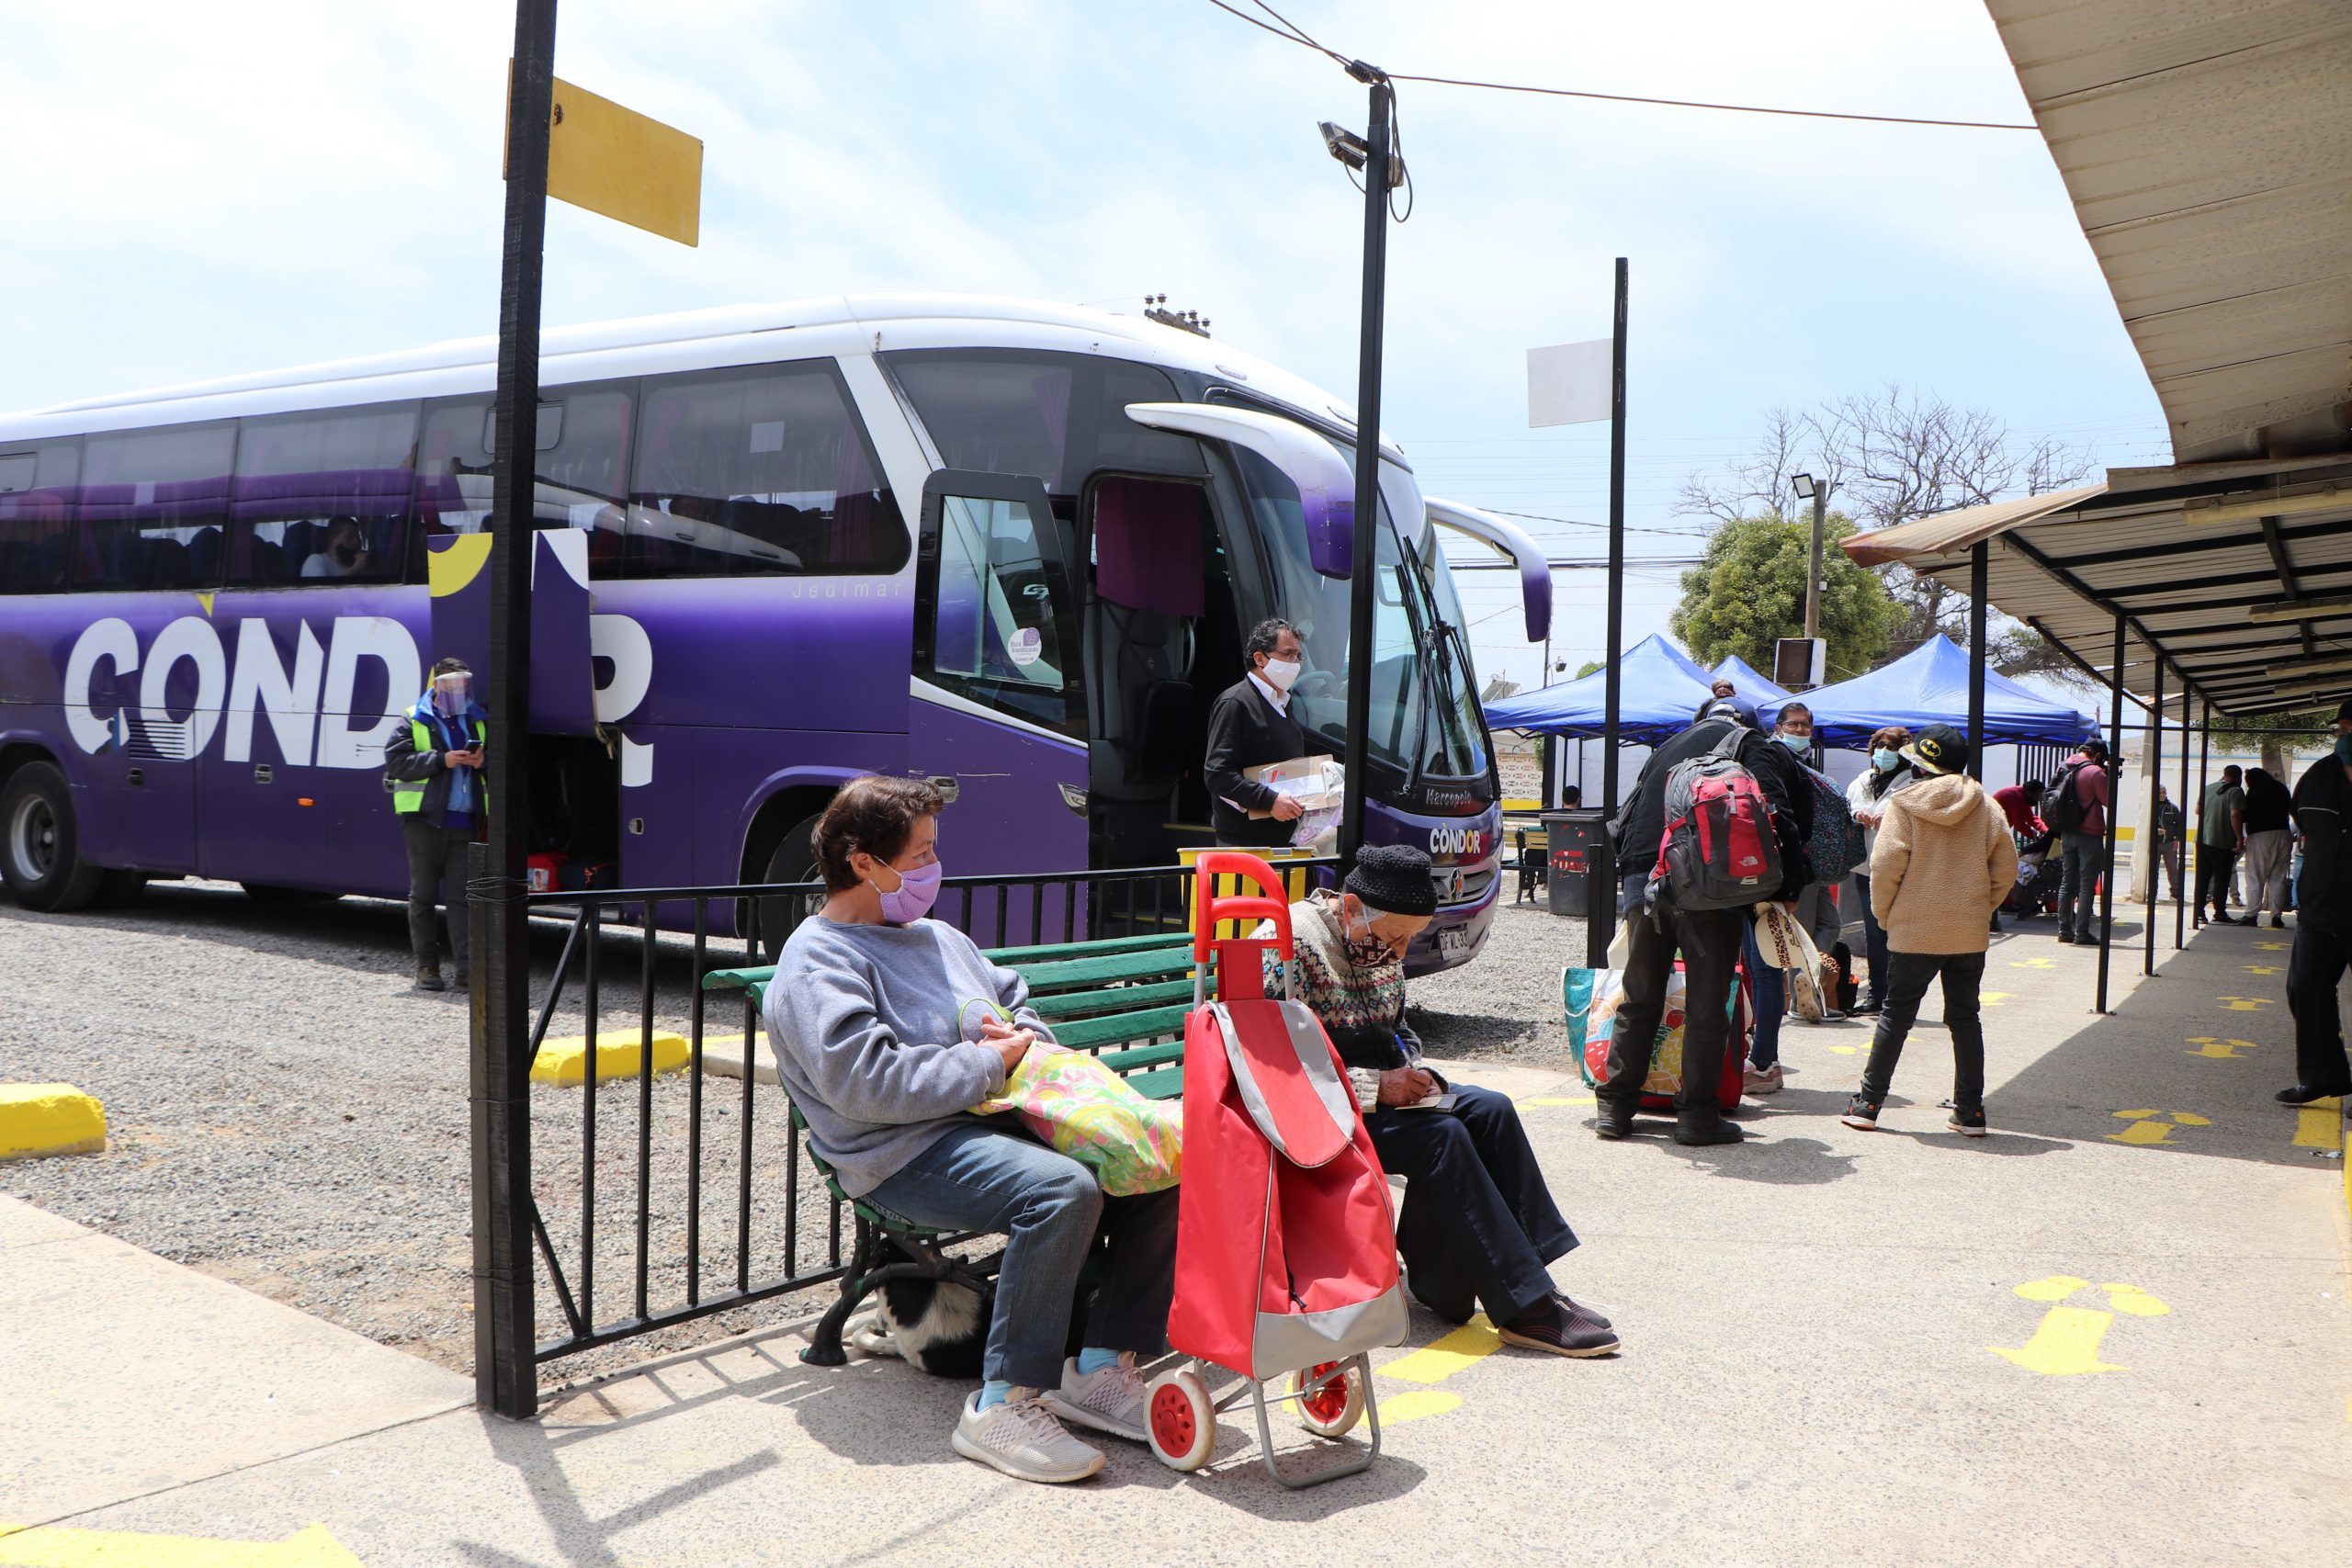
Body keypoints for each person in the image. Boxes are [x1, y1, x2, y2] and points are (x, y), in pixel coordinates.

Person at [763, 776, 1177, 1484]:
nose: (932, 867)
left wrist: (1014, 1036)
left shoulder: (934, 936)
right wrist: (987, 1059)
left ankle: (1103, 1370)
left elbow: (1010, 999)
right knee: (1062, 1192)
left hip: (983, 1119)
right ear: (864, 862)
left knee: (1159, 1160)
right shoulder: (815, 963)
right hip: (897, 1150)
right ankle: (1000, 1404)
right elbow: (868, 1086)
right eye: (920, 853)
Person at [1267, 844, 1617, 1357]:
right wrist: (1373, 1087)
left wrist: (1416, 1070)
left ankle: (1527, 1279)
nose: (1402, 952)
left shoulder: (1376, 941)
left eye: (1411, 939)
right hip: (1318, 1111)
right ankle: (1525, 1307)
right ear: (1349, 909)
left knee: (1491, 1108)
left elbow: (1400, 1032)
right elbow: (1269, 1067)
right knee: (1442, 1137)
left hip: (1371, 1095)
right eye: (1395, 937)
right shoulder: (1287, 946)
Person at [1597, 697, 1812, 1146]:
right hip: (1710, 890)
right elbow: (1786, 817)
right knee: (1708, 1005)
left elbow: (1633, 813)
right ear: (1752, 724)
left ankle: (1615, 1108)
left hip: (1647, 877)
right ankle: (1696, 1118)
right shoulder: (1754, 746)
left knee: (1640, 995)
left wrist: (1636, 881)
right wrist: (1787, 888)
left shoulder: (1668, 745)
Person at [1840, 726, 2018, 1137]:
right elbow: (2005, 871)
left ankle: (1867, 1104)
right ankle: (1970, 1111)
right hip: (1968, 931)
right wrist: (1978, 908)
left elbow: (1884, 869)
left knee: (1895, 1017)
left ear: (1919, 764)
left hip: (1913, 928)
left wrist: (1887, 915)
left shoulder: (1904, 805)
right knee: (1965, 1018)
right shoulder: (1988, 807)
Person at [382, 658, 485, 992]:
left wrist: (484, 762)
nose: (460, 688)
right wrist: (443, 760)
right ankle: (427, 968)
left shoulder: (478, 719)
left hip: (464, 821)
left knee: (462, 899)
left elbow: (503, 763)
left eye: (464, 682)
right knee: (423, 896)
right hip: (424, 821)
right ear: (437, 684)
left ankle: (467, 972)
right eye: (453, 682)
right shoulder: (413, 717)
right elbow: (396, 762)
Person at [1739, 701, 1823, 1092]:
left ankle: (1764, 1062)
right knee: (1761, 969)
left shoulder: (1763, 757)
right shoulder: (1779, 759)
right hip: (1768, 878)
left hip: (1755, 879)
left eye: (1807, 725)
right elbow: (1799, 826)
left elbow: (1791, 824)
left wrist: (1791, 887)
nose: (1802, 730)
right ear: (1775, 727)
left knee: (1765, 969)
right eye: (1796, 724)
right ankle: (1761, 1057)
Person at [2280, 703, 2352, 1106]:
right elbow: (2304, 825)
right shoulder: (2318, 776)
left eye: (2350, 728)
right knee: (2304, 990)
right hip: (2320, 907)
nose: (2344, 736)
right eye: (2341, 728)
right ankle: (2322, 1077)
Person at [1204, 617, 1309, 849]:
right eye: (1288, 655)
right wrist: (1269, 801)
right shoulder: (1235, 702)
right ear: (1260, 658)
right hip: (1245, 846)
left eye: (1299, 657)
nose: (1296, 663)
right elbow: (1218, 774)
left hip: (1282, 841)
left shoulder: (1282, 703)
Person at [1845, 727, 1920, 1012]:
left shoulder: (1911, 782)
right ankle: (1877, 994)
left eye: (1891, 747)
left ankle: (1899, 996)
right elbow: (1847, 805)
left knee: (1898, 933)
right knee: (1874, 934)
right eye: (1880, 745)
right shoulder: (1862, 780)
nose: (1884, 752)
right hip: (1866, 869)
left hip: (1899, 869)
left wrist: (1891, 817)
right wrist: (1856, 814)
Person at [2052, 739, 2112, 945]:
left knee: (2067, 882)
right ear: (2096, 755)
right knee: (2086, 885)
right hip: (2089, 832)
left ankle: (2064, 931)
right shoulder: (2094, 772)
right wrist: (2108, 778)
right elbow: (2108, 801)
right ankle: (2081, 933)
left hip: (2068, 831)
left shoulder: (2064, 767)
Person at [2240, 766, 2295, 929]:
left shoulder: (2255, 792)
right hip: (2284, 834)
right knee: (2278, 878)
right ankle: (2276, 916)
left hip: (2260, 836)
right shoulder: (2281, 789)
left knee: (2255, 876)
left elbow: (2245, 815)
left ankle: (2251, 915)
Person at [2196, 764, 2247, 926]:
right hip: (2222, 841)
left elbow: (2198, 810)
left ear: (2224, 775)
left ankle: (2199, 913)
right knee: (2221, 879)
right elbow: (2235, 814)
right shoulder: (2236, 791)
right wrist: (2240, 838)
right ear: (2239, 777)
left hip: (2202, 840)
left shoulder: (2209, 787)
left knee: (2203, 878)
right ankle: (2219, 913)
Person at [300, 516, 371, 579]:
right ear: (333, 540)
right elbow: (321, 592)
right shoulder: (316, 560)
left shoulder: (353, 564)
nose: (356, 542)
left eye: (358, 538)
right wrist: (355, 569)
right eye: (350, 537)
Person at [2152, 784, 2187, 903]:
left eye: (2164, 792)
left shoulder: (2172, 808)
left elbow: (2180, 824)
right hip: (2155, 844)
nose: (2162, 795)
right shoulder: (2151, 807)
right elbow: (2146, 823)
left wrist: (2177, 840)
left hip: (2170, 844)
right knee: (2153, 870)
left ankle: (2175, 893)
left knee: (2173, 870)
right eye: (2160, 792)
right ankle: (2152, 893)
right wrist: (2155, 831)